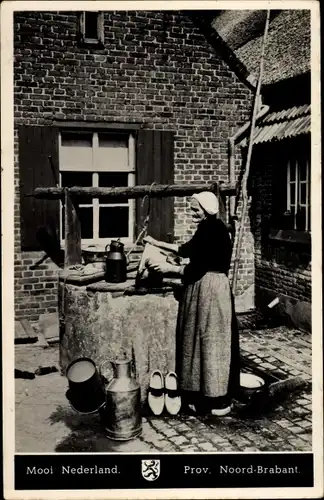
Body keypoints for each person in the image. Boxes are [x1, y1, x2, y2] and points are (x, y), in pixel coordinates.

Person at [144, 191, 240, 416]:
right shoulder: (209, 228)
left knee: (210, 342)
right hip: (207, 286)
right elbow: (187, 250)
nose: (192, 212)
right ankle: (204, 396)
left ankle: (215, 400)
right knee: (202, 341)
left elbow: (200, 265)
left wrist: (171, 269)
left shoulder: (213, 230)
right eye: (192, 208)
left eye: (195, 209)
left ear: (206, 209)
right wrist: (155, 242)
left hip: (211, 288)